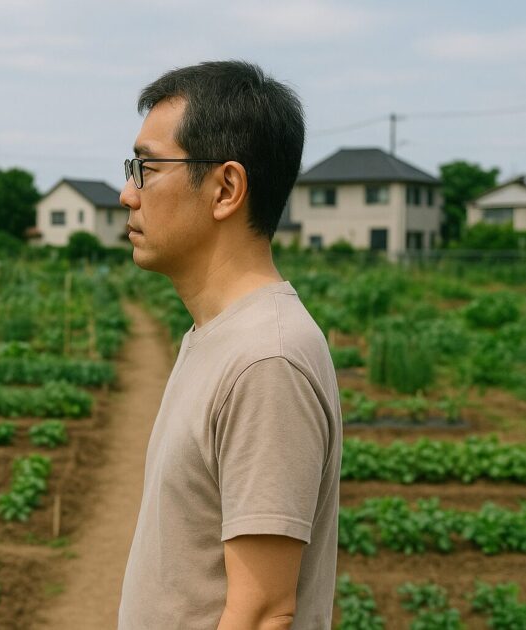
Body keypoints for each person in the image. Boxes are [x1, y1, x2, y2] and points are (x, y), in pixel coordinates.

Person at [117, 61, 341, 629]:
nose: (127, 194)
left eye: (147, 168)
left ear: (226, 187)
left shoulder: (266, 360)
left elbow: (264, 612)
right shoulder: (218, 335)